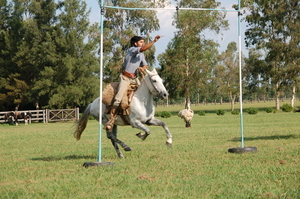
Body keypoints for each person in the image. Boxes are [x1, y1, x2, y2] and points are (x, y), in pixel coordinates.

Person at [105, 35, 161, 131]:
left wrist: (142, 68)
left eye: (143, 42)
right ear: (135, 44)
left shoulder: (141, 54)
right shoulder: (132, 50)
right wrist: (154, 41)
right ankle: (111, 120)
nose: (142, 44)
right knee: (118, 99)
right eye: (141, 42)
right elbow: (143, 49)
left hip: (135, 78)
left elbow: (145, 64)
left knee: (144, 93)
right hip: (125, 78)